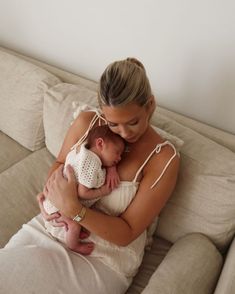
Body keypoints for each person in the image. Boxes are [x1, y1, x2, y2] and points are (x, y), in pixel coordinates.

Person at [0, 57, 180, 294]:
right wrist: (49, 194)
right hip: (49, 228)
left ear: (151, 105)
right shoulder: (88, 122)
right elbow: (60, 164)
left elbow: (126, 233)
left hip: (101, 257)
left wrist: (75, 209)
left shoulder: (163, 159)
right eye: (113, 124)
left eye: (133, 122)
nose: (124, 134)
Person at [42, 124, 125, 255]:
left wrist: (111, 167)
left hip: (53, 199)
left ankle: (74, 229)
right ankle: (74, 245)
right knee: (75, 225)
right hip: (57, 207)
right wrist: (103, 191)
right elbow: (83, 192)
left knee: (80, 222)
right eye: (117, 152)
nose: (119, 158)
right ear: (100, 143)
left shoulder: (82, 152)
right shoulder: (91, 163)